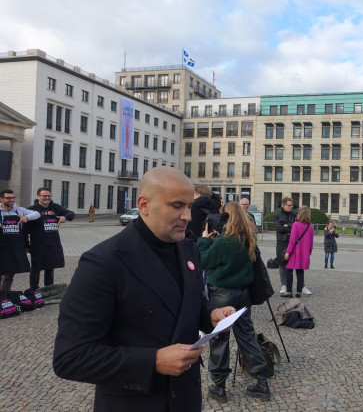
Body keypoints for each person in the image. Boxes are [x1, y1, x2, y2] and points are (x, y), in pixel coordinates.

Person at [53, 167, 235, 412]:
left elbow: (187, 301)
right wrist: (153, 361)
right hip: (133, 403)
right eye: (177, 206)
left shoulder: (188, 249)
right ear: (144, 205)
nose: (187, 216)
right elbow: (70, 357)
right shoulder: (103, 262)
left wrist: (210, 314)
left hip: (185, 399)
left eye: (189, 206)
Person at [198, 201, 271, 402]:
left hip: (223, 294)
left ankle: (219, 386)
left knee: (220, 339)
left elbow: (204, 260)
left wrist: (204, 240)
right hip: (243, 293)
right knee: (246, 335)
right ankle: (262, 380)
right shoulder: (248, 238)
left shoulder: (225, 241)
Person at [27, 187, 75, 290]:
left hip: (53, 244)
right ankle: (34, 290)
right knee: (35, 269)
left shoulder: (55, 207)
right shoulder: (31, 210)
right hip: (37, 245)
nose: (47, 198)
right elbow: (25, 230)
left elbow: (71, 213)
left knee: (50, 268)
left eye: (49, 196)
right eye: (44, 196)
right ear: (38, 197)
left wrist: (65, 217)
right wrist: (26, 245)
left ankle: (48, 290)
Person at [0, 190, 40, 294]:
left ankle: (6, 294)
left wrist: (27, 217)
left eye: (12, 198)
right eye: (8, 198)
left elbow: (37, 214)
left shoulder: (19, 210)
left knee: (10, 272)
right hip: (1, 246)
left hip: (14, 246)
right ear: (1, 199)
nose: (11, 200)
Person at [283, 205, 314, 297]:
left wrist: (288, 252)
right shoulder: (310, 226)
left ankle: (289, 291)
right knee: (300, 271)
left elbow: (292, 240)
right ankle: (299, 291)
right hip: (304, 253)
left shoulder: (296, 224)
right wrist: (309, 253)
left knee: (289, 270)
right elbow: (311, 242)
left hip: (295, 252)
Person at [273, 197, 302, 294]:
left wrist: (288, 225)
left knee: (296, 263)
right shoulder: (277, 215)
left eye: (291, 205)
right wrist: (292, 226)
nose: (291, 207)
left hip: (294, 242)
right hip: (282, 241)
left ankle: (301, 285)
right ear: (283, 205)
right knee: (282, 263)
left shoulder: (296, 214)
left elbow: (298, 226)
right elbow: (279, 228)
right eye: (289, 205)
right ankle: (284, 284)